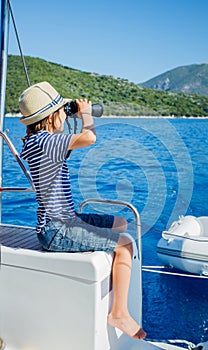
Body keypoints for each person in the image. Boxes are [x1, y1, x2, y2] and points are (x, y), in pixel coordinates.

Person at [19, 81, 146, 340]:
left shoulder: (38, 141)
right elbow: (89, 137)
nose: (65, 116)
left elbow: (66, 143)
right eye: (62, 112)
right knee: (124, 244)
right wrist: (85, 114)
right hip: (58, 230)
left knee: (120, 222)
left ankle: (115, 281)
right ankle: (119, 312)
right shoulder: (45, 142)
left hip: (64, 220)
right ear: (51, 117)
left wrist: (67, 116)